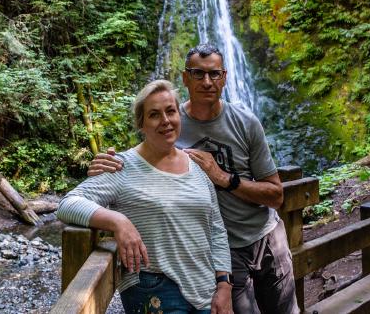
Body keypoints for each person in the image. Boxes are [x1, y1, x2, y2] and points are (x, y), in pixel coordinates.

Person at [89, 45, 300, 314]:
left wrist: (223, 178)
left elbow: (276, 195)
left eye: (214, 74)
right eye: (198, 74)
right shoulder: (170, 122)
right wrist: (107, 164)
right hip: (223, 251)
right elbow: (143, 163)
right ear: (185, 78)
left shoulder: (246, 123)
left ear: (224, 77)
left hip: (267, 237)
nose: (207, 82)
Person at [57, 79, 233, 314]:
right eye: (154, 115)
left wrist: (224, 284)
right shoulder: (122, 166)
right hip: (155, 288)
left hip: (206, 291)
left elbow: (216, 228)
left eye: (170, 111)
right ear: (141, 124)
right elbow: (68, 204)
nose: (165, 121)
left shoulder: (196, 166)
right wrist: (118, 221)